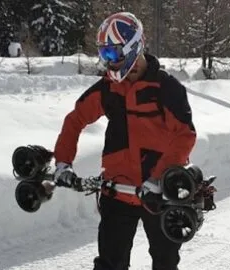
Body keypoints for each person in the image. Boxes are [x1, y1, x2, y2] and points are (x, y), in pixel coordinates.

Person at [52, 12, 196, 270]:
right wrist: (63, 162)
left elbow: (184, 135)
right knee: (109, 264)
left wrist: (158, 178)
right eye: (104, 54)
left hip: (159, 196)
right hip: (117, 193)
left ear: (133, 47)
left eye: (112, 54)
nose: (108, 62)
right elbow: (75, 120)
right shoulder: (108, 88)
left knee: (165, 263)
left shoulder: (166, 87)